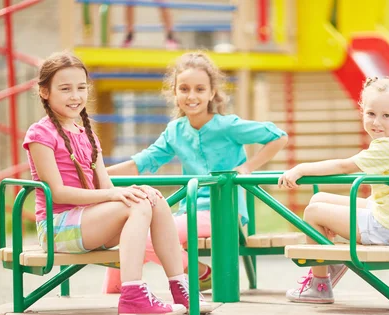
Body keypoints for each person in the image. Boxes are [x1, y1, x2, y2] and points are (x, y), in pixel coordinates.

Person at [22, 51, 201, 315]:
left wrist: (126, 192)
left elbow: (105, 183)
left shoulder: (86, 132)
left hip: (90, 222)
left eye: (81, 88)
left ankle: (180, 288)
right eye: (65, 89)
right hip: (58, 226)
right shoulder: (40, 134)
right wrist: (115, 194)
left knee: (153, 199)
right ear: (45, 92)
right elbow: (57, 192)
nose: (75, 96)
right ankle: (133, 296)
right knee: (138, 204)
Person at [103, 52, 288, 295]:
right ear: (175, 93)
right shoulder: (175, 131)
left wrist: (247, 167)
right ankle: (112, 296)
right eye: (184, 89)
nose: (192, 96)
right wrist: (96, 174)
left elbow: (278, 136)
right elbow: (142, 162)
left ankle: (199, 272)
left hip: (223, 212)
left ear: (212, 93)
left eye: (200, 89)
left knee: (142, 236)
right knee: (129, 233)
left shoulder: (227, 125)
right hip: (188, 210)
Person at [278, 76, 389, 304]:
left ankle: (320, 285)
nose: (377, 122)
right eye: (371, 114)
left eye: (386, 116)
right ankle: (333, 263)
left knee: (312, 213)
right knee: (319, 198)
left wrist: (300, 168)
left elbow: (343, 166)